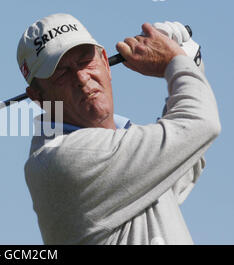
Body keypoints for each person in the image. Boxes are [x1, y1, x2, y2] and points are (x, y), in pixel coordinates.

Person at [17, 13, 221, 245]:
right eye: (61, 74)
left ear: (105, 62)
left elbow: (186, 156)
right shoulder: (61, 159)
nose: (82, 78)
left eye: (85, 61)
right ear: (38, 98)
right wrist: (176, 61)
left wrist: (190, 65)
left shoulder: (122, 148)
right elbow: (200, 124)